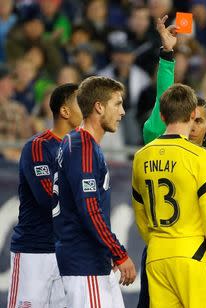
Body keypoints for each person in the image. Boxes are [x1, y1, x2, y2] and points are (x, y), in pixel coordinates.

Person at [135, 15, 206, 307]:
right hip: (187, 254)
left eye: (201, 121)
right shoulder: (158, 138)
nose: (194, 126)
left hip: (176, 254)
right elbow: (163, 98)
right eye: (192, 119)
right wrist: (167, 55)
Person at [53, 76, 136, 308]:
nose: (122, 112)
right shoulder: (83, 147)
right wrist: (119, 252)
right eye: (117, 104)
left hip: (90, 261)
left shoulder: (78, 143)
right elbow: (89, 209)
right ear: (99, 107)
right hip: (84, 263)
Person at [7, 83, 82, 308]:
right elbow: (47, 198)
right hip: (34, 251)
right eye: (81, 103)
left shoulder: (81, 151)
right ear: (65, 111)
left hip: (66, 251)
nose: (87, 108)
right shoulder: (38, 147)